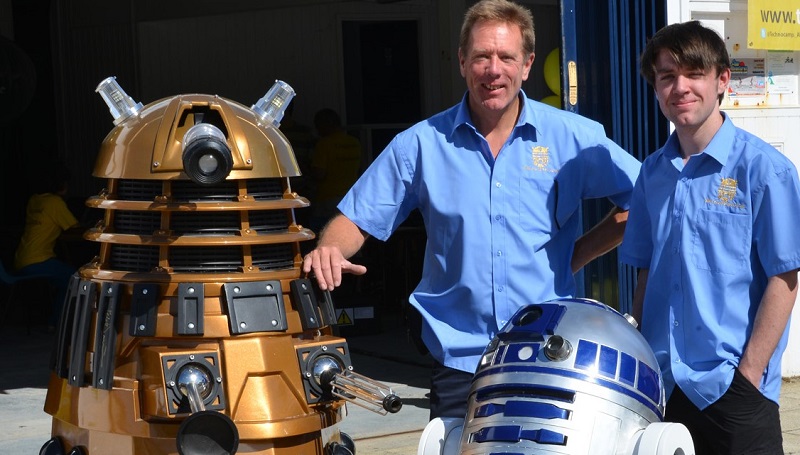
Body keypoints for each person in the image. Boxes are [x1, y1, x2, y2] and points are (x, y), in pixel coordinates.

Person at [303, 0, 641, 420]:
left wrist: (576, 256)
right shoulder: (422, 144)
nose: (493, 69)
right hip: (459, 360)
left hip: (548, 353)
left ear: (528, 64)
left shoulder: (574, 138)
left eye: (506, 57)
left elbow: (641, 201)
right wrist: (331, 248)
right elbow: (357, 217)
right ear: (462, 61)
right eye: (481, 56)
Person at [619, 20, 800, 454]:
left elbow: (786, 278)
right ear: (657, 88)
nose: (680, 87)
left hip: (733, 389)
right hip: (664, 387)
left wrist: (750, 373)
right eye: (667, 76)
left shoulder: (764, 171)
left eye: (693, 74)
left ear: (721, 80)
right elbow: (647, 273)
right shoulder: (651, 174)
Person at [14, 161, 82, 331]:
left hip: (21, 259)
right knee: (75, 278)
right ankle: (57, 322)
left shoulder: (34, 200)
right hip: (39, 261)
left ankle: (54, 317)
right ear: (62, 184)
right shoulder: (55, 203)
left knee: (64, 276)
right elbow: (75, 229)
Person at [308, 108, 363, 233]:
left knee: (325, 235)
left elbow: (319, 174)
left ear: (326, 124)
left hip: (327, 199)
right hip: (350, 198)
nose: (317, 130)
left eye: (318, 126)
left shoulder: (324, 144)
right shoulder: (354, 143)